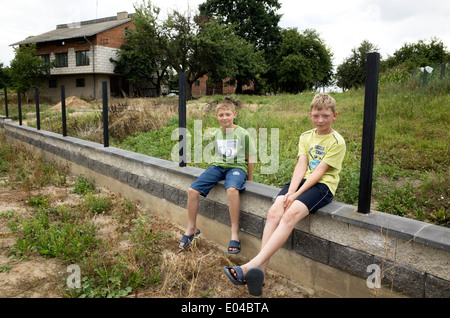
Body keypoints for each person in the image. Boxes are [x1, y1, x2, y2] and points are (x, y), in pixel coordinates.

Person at [223, 93, 346, 296]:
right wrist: (290, 192)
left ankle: (248, 267)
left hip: (322, 187)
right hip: (301, 184)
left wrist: (297, 194)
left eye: (325, 115)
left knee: (289, 215)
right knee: (274, 213)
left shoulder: (336, 141)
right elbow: (301, 165)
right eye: (316, 116)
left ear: (334, 115)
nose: (320, 120)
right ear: (310, 114)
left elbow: (320, 171)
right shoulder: (306, 136)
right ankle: (260, 272)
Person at [178, 99, 256, 254]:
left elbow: (250, 156)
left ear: (234, 114)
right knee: (193, 190)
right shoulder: (217, 134)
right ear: (216, 117)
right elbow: (219, 155)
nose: (225, 117)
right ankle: (191, 228)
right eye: (221, 115)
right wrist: (215, 171)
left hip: (237, 167)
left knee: (232, 190)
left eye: (228, 114)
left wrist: (251, 178)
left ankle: (234, 234)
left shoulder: (243, 133)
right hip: (219, 166)